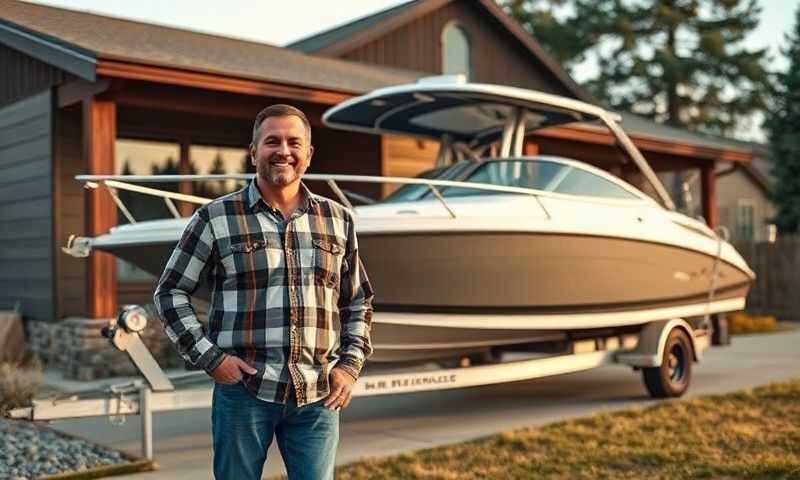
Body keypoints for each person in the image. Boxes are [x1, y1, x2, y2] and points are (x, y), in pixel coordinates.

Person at [153, 104, 374, 480]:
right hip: (243, 394)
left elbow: (357, 301)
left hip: (317, 396)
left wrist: (350, 366)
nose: (283, 151)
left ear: (308, 153)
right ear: (253, 152)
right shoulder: (215, 217)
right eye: (272, 141)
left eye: (294, 142)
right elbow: (170, 292)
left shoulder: (338, 219)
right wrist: (211, 358)